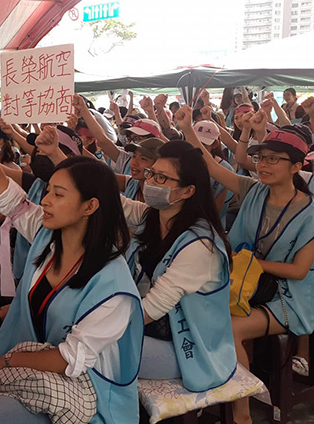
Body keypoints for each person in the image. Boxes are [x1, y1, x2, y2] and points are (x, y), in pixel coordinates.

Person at [0, 87, 143, 424]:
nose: (45, 201)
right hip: (34, 378)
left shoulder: (113, 285)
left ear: (90, 206)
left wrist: (6, 362)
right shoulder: (47, 237)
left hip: (89, 397)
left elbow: (72, 358)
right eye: (47, 192)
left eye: (58, 194)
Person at [178, 105, 314, 423]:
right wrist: (187, 129)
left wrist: (254, 264)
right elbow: (209, 165)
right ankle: (214, 386)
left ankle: (241, 414)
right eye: (260, 157)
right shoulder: (253, 190)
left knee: (229, 327)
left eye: (272, 159)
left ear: (296, 167)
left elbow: (298, 271)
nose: (262, 165)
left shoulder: (310, 212)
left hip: (288, 296)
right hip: (245, 282)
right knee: (190, 305)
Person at [121, 140, 236, 391]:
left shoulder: (199, 244)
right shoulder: (154, 217)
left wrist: (96, 326)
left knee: (96, 351)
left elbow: (153, 307)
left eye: (162, 178)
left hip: (188, 348)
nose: (150, 182)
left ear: (187, 191)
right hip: (156, 331)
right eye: (152, 173)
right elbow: (118, 205)